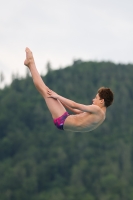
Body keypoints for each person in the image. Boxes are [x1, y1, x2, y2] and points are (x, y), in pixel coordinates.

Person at [24, 47, 114, 132]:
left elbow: (75, 105)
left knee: (45, 91)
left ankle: (31, 63)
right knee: (47, 91)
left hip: (62, 119)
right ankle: (29, 64)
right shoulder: (101, 116)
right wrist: (58, 98)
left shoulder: (97, 110)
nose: (93, 100)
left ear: (102, 101)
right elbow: (76, 111)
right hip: (63, 120)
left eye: (96, 98)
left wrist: (58, 96)